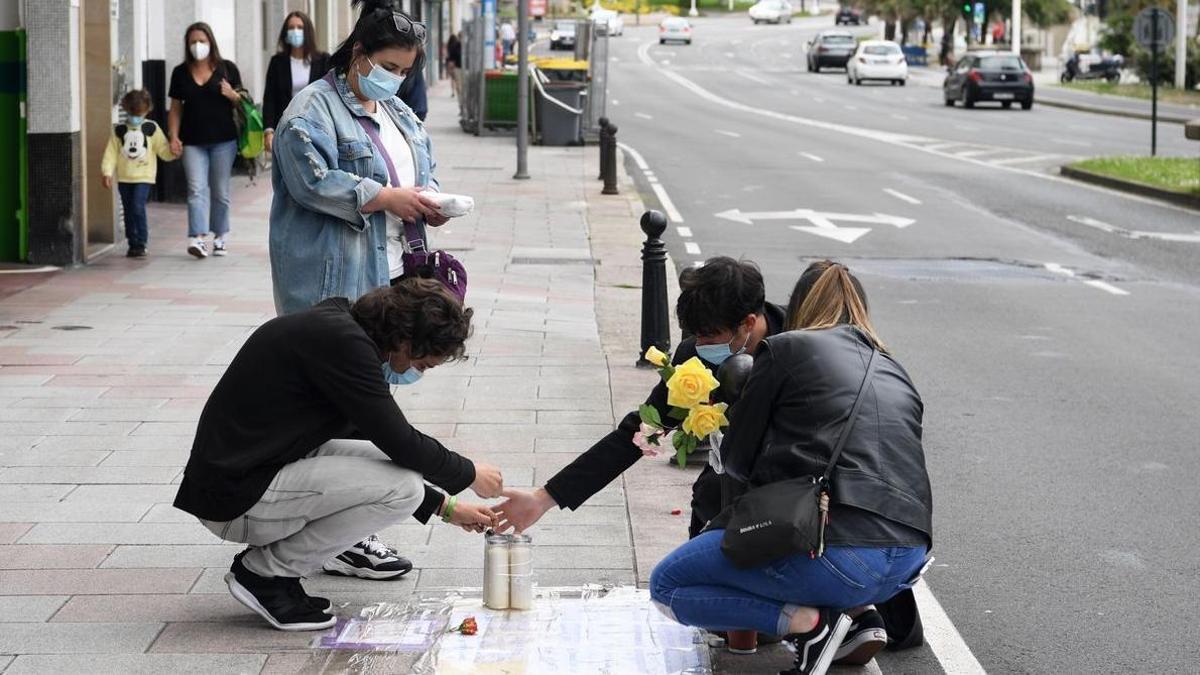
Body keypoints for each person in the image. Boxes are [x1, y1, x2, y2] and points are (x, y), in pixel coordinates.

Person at [648, 261, 933, 675]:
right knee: (817, 547)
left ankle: (812, 624)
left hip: (837, 551)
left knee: (669, 585)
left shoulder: (788, 348)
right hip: (907, 562)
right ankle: (854, 617)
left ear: (798, 307)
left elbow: (737, 465)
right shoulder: (894, 368)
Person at [174, 279, 505, 631]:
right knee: (402, 487)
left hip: (248, 471)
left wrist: (447, 508)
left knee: (390, 472)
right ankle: (265, 575)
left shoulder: (339, 327)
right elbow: (400, 441)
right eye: (421, 363)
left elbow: (374, 441)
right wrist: (469, 474)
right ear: (405, 340)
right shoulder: (344, 344)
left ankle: (276, 576)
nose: (412, 371)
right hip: (235, 496)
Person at [494, 257, 786, 538]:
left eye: (709, 337)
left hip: (788, 501)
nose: (700, 345)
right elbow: (640, 433)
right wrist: (545, 498)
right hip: (721, 500)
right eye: (695, 336)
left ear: (748, 323)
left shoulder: (800, 345)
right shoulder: (693, 360)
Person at [270, 0, 447, 318]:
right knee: (344, 365)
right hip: (340, 283)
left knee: (395, 366)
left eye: (404, 72)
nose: (395, 79)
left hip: (397, 270)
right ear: (358, 53)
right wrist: (385, 197)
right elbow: (312, 183)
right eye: (389, 68)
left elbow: (423, 164)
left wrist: (430, 200)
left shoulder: (398, 110)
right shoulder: (310, 112)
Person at [168, 22, 243, 259]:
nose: (197, 46)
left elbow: (243, 101)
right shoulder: (180, 72)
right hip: (192, 141)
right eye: (193, 42)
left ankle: (220, 236)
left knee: (220, 191)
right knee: (196, 189)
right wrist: (173, 136)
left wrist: (232, 95)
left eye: (202, 41)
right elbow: (175, 108)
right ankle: (197, 238)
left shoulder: (227, 69)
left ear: (211, 42)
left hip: (224, 140)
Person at [101, 89, 178, 258]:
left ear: (147, 110)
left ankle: (142, 242)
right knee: (128, 210)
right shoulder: (119, 129)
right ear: (125, 110)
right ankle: (132, 243)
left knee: (137, 206)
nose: (136, 117)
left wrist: (173, 152)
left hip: (144, 176)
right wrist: (107, 172)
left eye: (139, 113)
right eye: (132, 113)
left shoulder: (152, 128)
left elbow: (162, 149)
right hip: (124, 177)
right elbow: (111, 152)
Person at [262, 11, 332, 154]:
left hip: (316, 129)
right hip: (285, 128)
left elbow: (330, 96)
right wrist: (268, 130)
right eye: (291, 27)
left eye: (300, 27)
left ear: (307, 31)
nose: (295, 31)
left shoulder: (323, 60)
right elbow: (270, 98)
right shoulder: (277, 62)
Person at [446, 33, 463, 99]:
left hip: (463, 68)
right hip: (457, 67)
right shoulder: (456, 46)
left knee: (456, 81)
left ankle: (456, 93)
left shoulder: (468, 46)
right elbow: (451, 58)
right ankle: (460, 96)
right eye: (460, 37)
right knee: (457, 81)